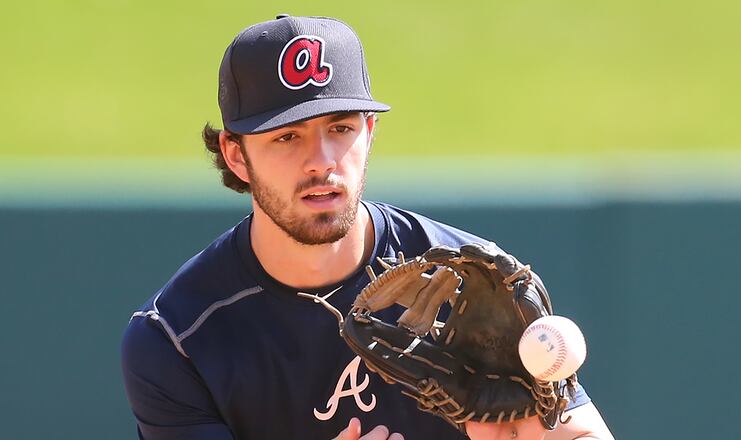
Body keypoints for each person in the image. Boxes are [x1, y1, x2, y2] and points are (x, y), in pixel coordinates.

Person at [121, 14, 614, 440]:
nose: (322, 161)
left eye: (340, 128)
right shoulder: (178, 338)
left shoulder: (474, 282)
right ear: (236, 154)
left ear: (369, 131)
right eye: (288, 136)